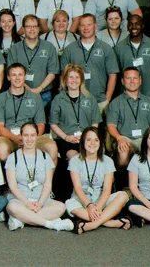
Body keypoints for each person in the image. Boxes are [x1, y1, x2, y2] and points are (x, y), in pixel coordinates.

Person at [5, 123, 74, 231]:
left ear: (37, 136)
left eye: (32, 135)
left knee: (61, 207)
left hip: (42, 200)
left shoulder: (46, 157)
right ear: (21, 136)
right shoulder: (12, 158)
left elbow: (47, 184)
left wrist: (40, 203)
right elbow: (13, 186)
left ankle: (22, 219)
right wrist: (28, 203)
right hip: (21, 199)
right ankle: (50, 224)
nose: (29, 139)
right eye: (26, 135)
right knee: (12, 207)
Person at [50, 64, 102, 201]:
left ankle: (91, 193)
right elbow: (53, 124)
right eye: (70, 77)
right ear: (65, 80)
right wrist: (66, 137)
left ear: (82, 80)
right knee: (75, 158)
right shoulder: (58, 99)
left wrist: (88, 138)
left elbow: (95, 122)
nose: (73, 81)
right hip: (66, 139)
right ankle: (72, 195)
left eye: (77, 77)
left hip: (87, 139)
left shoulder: (89, 98)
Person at [66, 127, 131, 234]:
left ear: (100, 143)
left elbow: (107, 190)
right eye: (89, 140)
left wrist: (99, 207)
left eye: (96, 140)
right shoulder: (75, 161)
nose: (92, 143)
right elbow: (77, 188)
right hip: (82, 202)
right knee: (69, 204)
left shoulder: (107, 161)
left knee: (123, 196)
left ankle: (92, 224)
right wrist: (89, 205)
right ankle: (109, 222)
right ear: (83, 142)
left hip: (102, 201)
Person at [0, 63, 56, 163]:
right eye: (14, 75)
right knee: (2, 150)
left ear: (25, 76)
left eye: (20, 75)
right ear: (8, 77)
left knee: (52, 148)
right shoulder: (0, 99)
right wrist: (16, 138)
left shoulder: (35, 98)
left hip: (32, 136)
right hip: (8, 136)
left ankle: (48, 178)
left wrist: (29, 138)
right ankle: (10, 176)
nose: (17, 78)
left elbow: (40, 124)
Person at [107, 67, 150, 180]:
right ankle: (124, 187)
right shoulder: (116, 103)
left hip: (146, 138)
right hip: (126, 138)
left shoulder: (149, 102)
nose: (132, 81)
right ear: (122, 81)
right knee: (123, 154)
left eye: (135, 78)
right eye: (128, 78)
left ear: (140, 80)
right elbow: (111, 126)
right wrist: (119, 138)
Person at [61, 13, 119, 114]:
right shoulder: (70, 49)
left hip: (100, 101)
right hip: (75, 101)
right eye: (82, 25)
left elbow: (112, 75)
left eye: (89, 25)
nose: (86, 28)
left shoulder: (106, 49)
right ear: (78, 27)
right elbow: (63, 76)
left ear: (95, 26)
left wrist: (107, 99)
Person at [7, 15, 60, 114]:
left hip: (45, 95)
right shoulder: (15, 49)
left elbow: (53, 72)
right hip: (19, 93)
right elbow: (11, 73)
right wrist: (29, 90)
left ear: (39, 28)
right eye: (28, 26)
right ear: (23, 29)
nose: (32, 29)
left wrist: (39, 89)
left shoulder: (49, 47)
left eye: (35, 26)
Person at [116, 14, 150, 109]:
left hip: (149, 96)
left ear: (143, 25)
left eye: (137, 24)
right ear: (127, 26)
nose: (134, 27)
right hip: (126, 98)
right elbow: (116, 75)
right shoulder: (119, 47)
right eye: (130, 24)